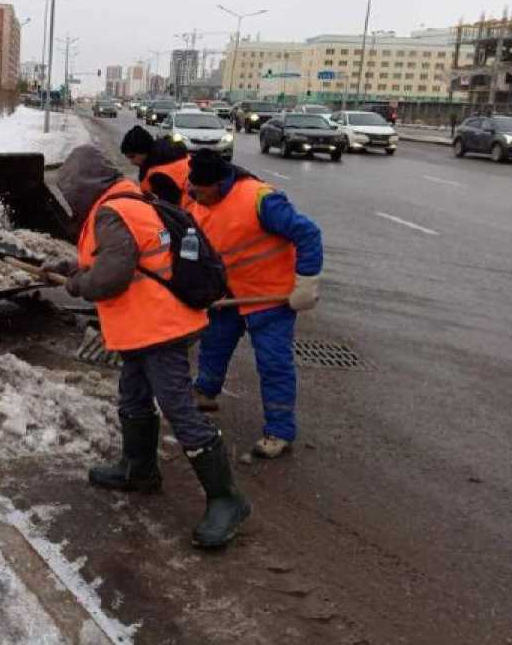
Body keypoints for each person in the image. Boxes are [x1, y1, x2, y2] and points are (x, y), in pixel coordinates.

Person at [48, 144, 251, 548]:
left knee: (179, 408)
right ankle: (138, 468)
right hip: (143, 327)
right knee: (134, 395)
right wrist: (73, 267)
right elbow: (127, 259)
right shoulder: (125, 203)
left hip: (159, 327)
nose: (69, 202)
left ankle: (226, 499)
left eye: (70, 192)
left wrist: (77, 283)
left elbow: (112, 277)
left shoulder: (111, 212)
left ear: (84, 186)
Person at [184, 149, 322, 459]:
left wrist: (307, 281)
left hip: (269, 297)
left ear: (219, 184)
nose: (198, 197)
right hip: (229, 294)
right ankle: (205, 391)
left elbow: (308, 234)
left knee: (274, 364)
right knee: (214, 344)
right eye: (195, 191)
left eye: (203, 191)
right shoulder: (198, 203)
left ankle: (279, 431)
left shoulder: (261, 200)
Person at [120, 125, 191, 206]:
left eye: (132, 156)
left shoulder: (159, 175)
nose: (132, 162)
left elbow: (169, 210)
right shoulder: (168, 156)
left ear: (143, 151)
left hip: (190, 213)